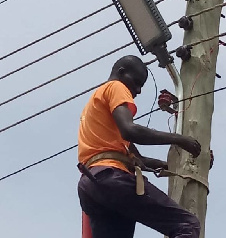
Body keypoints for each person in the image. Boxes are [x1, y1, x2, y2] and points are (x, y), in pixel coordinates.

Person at [77, 55, 202, 238]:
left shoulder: (96, 112)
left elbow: (139, 159)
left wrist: (173, 167)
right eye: (136, 82)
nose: (138, 90)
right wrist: (180, 139)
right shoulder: (115, 87)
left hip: (92, 185)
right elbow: (130, 130)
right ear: (121, 73)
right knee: (187, 225)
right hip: (111, 178)